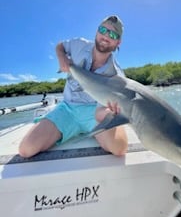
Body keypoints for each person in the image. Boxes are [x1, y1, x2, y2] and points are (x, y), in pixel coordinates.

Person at [19, 15, 128, 158]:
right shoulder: (78, 45)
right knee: (26, 149)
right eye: (103, 30)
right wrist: (62, 57)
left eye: (113, 34)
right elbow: (60, 46)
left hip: (94, 113)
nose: (106, 36)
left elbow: (107, 110)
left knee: (119, 148)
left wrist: (111, 113)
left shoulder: (118, 76)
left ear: (118, 42)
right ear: (96, 31)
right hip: (68, 109)